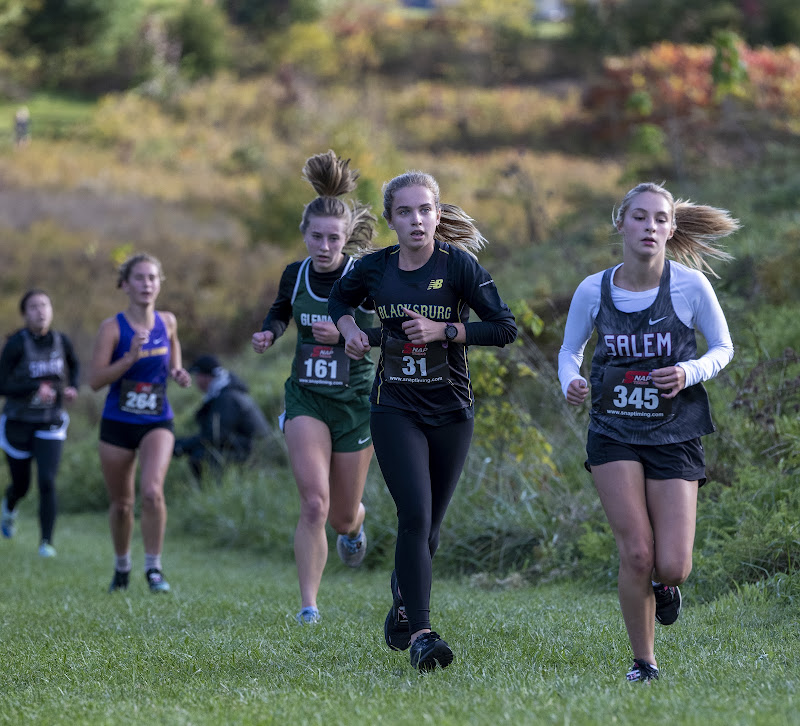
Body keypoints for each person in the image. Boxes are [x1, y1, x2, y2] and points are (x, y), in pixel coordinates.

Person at [329, 170, 517, 672]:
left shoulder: (459, 267)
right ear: (391, 219)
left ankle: (403, 604)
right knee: (414, 515)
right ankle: (423, 636)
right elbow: (339, 300)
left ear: (438, 214)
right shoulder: (374, 268)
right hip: (395, 407)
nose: (416, 220)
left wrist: (444, 330)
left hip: (452, 410)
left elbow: (504, 328)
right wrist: (350, 329)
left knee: (430, 529)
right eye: (405, 212)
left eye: (425, 210)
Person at [558, 182, 738, 683]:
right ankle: (645, 663)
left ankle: (666, 587)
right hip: (613, 431)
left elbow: (722, 348)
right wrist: (570, 380)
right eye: (640, 218)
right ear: (622, 224)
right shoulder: (594, 289)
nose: (650, 227)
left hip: (675, 429)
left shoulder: (690, 287)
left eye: (660, 219)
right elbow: (569, 351)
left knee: (673, 565)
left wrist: (688, 373)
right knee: (636, 551)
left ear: (671, 229)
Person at [251, 150, 378, 625]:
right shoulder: (296, 273)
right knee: (313, 502)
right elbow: (282, 308)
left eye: (334, 238)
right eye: (317, 237)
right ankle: (309, 606)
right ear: (305, 235)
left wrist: (346, 333)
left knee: (342, 515)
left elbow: (378, 332)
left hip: (353, 403)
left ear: (347, 239)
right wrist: (269, 331)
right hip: (306, 396)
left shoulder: (362, 278)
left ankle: (355, 526)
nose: (324, 246)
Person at [88, 253, 191, 593]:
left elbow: (174, 350)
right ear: (124, 284)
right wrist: (130, 357)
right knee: (122, 504)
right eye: (139, 278)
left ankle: (154, 569)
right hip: (118, 422)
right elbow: (96, 381)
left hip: (156, 421)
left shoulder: (168, 321)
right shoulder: (112, 328)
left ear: (159, 283)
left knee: (151, 492)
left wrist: (177, 370)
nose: (147, 284)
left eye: (152, 278)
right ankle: (122, 567)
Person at [0, 289, 80, 557]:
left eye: (45, 305)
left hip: (50, 421)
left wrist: (72, 388)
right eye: (33, 307)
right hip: (18, 422)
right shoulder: (15, 345)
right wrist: (33, 389)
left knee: (47, 480)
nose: (40, 311)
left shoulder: (62, 341)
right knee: (21, 484)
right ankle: (9, 507)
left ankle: (46, 542)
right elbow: (2, 385)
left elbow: (74, 366)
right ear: (25, 314)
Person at [173, 354, 271, 480]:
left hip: (254, 453)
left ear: (206, 377)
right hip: (246, 447)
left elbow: (215, 436)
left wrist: (179, 446)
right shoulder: (224, 392)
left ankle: (211, 492)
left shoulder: (227, 398)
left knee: (201, 457)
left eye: (197, 376)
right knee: (201, 451)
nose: (196, 381)